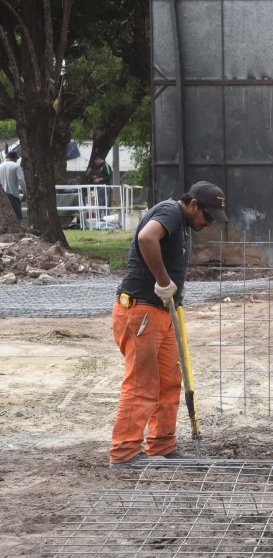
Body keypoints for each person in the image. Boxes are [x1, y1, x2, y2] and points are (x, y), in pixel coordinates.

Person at [109, 182, 228, 468]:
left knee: (169, 381)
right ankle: (124, 452)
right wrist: (164, 282)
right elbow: (147, 238)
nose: (209, 223)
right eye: (208, 216)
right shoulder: (170, 212)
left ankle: (161, 445)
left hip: (163, 311)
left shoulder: (183, 224)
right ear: (194, 205)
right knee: (142, 382)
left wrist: (175, 288)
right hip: (141, 309)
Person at [0, 151, 25, 221]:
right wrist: (26, 193)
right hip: (13, 194)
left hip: (2, 195)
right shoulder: (16, 166)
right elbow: (21, 181)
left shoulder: (0, 166)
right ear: (15, 158)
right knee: (18, 216)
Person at [89, 156, 113, 221]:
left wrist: (99, 179)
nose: (95, 162)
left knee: (100, 202)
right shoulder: (101, 167)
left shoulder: (106, 166)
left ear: (100, 159)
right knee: (104, 203)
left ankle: (98, 218)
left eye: (96, 161)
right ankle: (107, 218)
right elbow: (103, 176)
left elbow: (109, 176)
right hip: (101, 187)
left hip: (104, 187)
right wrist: (96, 177)